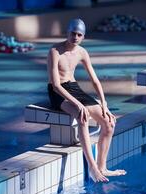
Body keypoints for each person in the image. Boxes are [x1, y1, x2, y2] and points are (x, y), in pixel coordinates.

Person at [47, 18, 126, 182]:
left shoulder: (82, 52)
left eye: (79, 35)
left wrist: (104, 104)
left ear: (83, 37)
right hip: (58, 92)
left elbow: (95, 80)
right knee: (82, 116)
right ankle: (92, 168)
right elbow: (55, 85)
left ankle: (103, 167)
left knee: (109, 123)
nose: (75, 37)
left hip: (74, 88)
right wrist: (78, 104)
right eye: (73, 33)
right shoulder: (55, 51)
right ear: (67, 33)